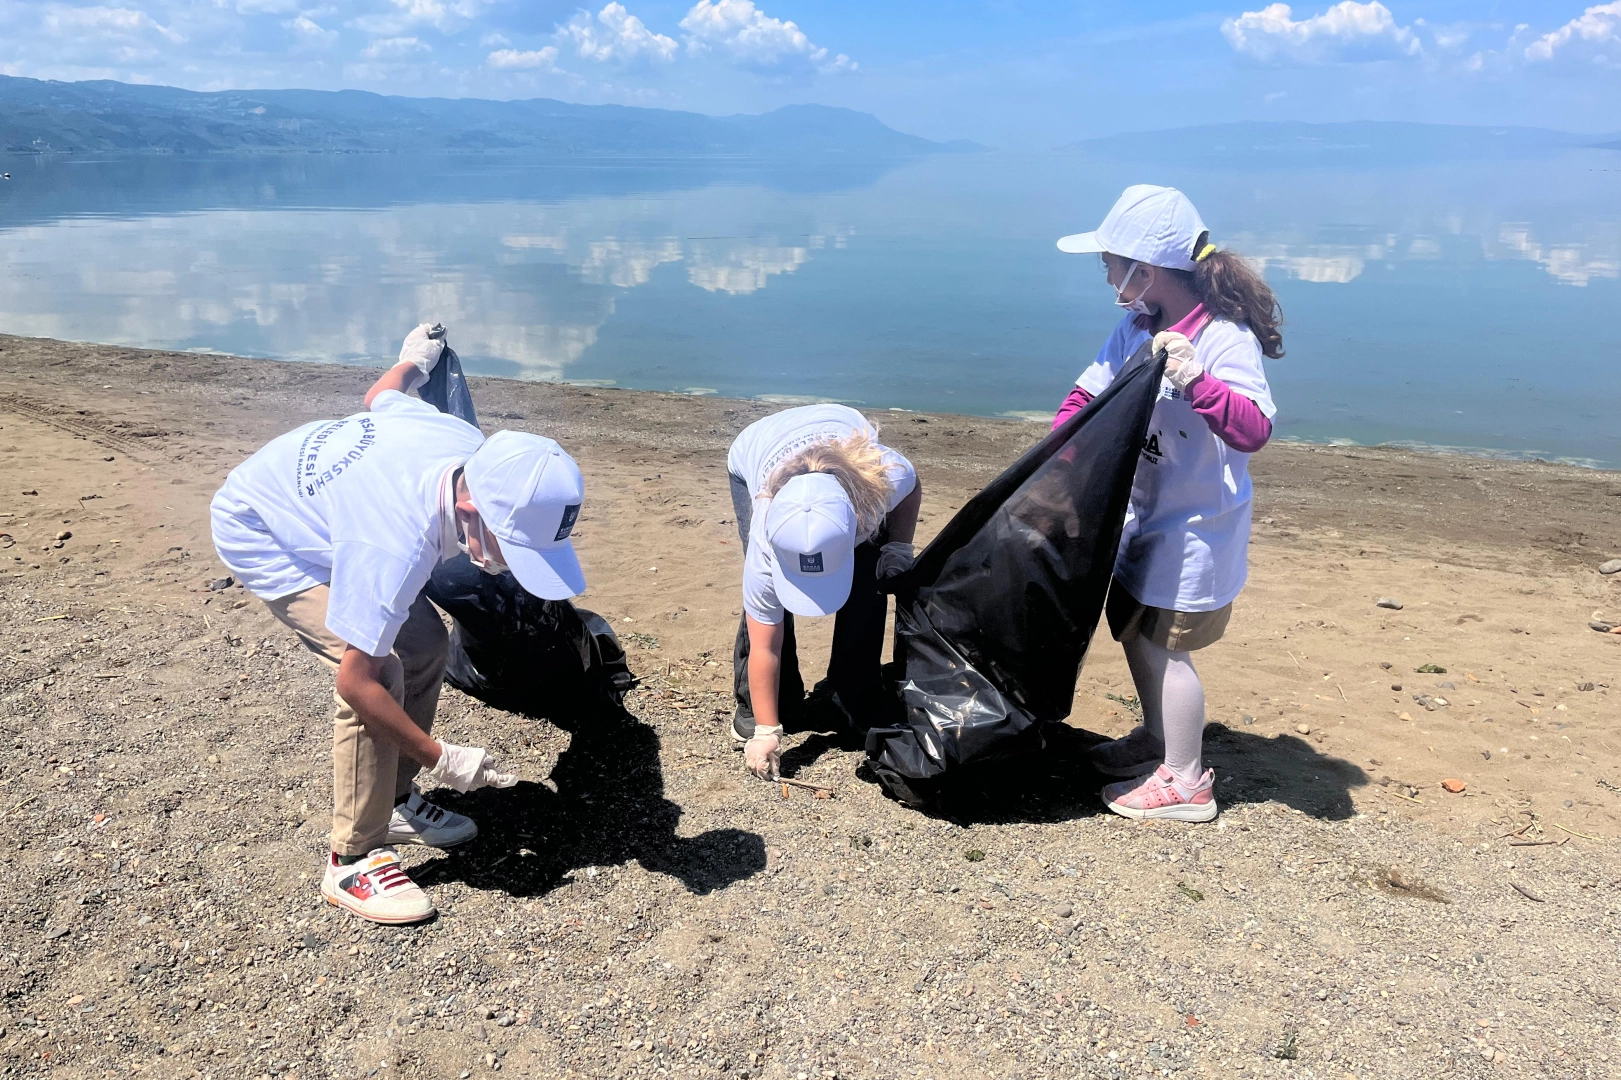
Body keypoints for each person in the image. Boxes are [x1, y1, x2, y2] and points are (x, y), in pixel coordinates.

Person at [209, 324, 588, 923]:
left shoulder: (464, 442)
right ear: (471, 509)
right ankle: (351, 858)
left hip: (326, 508)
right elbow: (356, 682)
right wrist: (441, 757)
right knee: (379, 669)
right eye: (514, 548)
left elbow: (380, 397)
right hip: (264, 528)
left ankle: (393, 797)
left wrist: (414, 361)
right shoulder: (395, 544)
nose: (514, 564)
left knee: (427, 643)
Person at [1054, 185, 1280, 822]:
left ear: (1145, 270)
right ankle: (1158, 740)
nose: (1105, 273)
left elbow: (1254, 430)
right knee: (1133, 627)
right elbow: (1084, 400)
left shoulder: (1223, 338)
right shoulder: (1137, 326)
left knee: (1167, 647)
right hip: (1141, 514)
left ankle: (1187, 782)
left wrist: (1195, 379)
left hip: (1197, 526)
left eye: (1109, 262)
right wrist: (1055, 463)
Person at [726, 405, 921, 780]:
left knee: (869, 580)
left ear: (856, 523)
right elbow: (765, 644)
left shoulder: (884, 479)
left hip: (851, 472)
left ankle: (855, 692)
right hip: (758, 444)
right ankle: (762, 705)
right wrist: (767, 731)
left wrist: (898, 547)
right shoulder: (766, 538)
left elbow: (911, 488)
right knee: (762, 607)